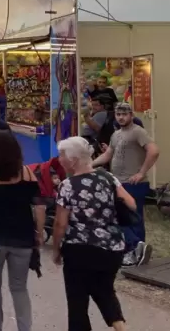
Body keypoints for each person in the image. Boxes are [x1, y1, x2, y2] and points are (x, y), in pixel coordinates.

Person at [53, 137, 135, 331]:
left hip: (79, 250)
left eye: (61, 155)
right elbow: (131, 204)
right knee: (104, 290)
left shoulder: (68, 185)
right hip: (111, 248)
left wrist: (56, 250)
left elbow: (60, 223)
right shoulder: (108, 178)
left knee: (77, 302)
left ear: (73, 160)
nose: (59, 159)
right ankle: (121, 327)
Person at [0, 130, 45, 331]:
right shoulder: (26, 173)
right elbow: (39, 206)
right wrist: (38, 233)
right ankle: (25, 328)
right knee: (19, 288)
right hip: (22, 238)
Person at [92, 102, 159, 266]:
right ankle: (137, 250)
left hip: (134, 182)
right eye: (118, 114)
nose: (121, 117)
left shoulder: (138, 132)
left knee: (129, 217)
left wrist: (141, 172)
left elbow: (154, 151)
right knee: (122, 216)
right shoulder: (116, 135)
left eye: (124, 114)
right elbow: (108, 154)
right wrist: (90, 165)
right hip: (118, 182)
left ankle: (135, 248)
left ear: (131, 115)